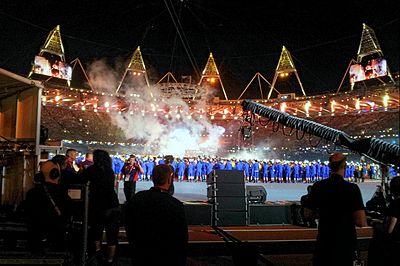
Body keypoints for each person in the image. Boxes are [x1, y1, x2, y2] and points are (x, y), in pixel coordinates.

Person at [304, 153, 367, 266]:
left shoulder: (318, 186)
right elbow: (361, 222)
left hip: (324, 241)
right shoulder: (352, 189)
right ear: (345, 166)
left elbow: (307, 214)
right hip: (345, 242)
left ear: (329, 166)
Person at [125, 164, 188, 266]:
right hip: (166, 257)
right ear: (169, 180)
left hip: (141, 254)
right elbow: (181, 238)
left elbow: (128, 225)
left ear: (152, 178)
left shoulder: (137, 199)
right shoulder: (175, 205)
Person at [81, 149, 120, 265]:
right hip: (113, 205)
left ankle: (98, 257)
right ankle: (110, 260)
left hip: (98, 206)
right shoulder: (109, 171)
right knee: (112, 237)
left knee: (96, 233)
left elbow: (80, 180)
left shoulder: (91, 170)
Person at [24, 160, 72, 252]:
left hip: (35, 239)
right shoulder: (63, 194)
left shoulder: (32, 193)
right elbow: (69, 214)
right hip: (56, 239)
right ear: (56, 174)